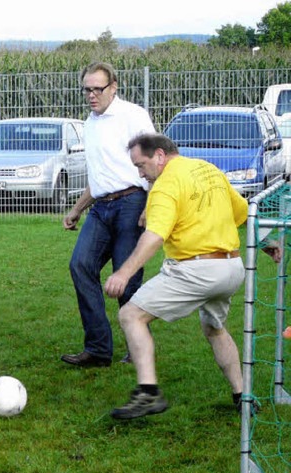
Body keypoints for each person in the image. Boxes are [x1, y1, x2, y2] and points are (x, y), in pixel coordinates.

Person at [103, 133, 250, 420]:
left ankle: (148, 393)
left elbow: (154, 237)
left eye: (141, 166)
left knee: (131, 315)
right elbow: (241, 212)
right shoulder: (208, 169)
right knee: (215, 329)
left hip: (197, 271)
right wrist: (267, 244)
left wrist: (123, 272)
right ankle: (242, 396)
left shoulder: (165, 185)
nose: (141, 174)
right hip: (232, 268)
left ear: (159, 155)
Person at [61, 61, 156, 368]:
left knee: (127, 279)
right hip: (101, 208)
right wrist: (77, 209)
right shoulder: (89, 124)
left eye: (97, 89)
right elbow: (100, 176)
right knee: (81, 266)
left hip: (132, 203)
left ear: (113, 88)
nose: (91, 95)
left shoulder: (133, 115)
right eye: (86, 89)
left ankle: (136, 350)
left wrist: (149, 205)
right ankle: (98, 348)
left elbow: (156, 161)